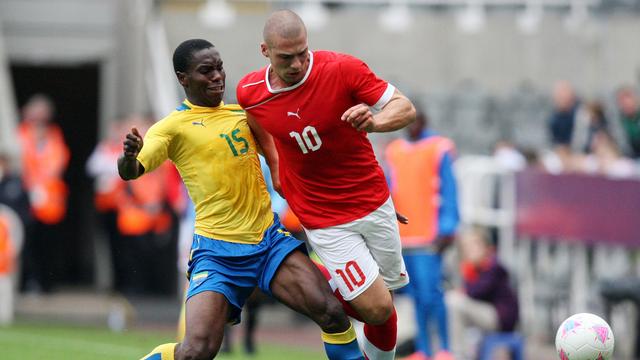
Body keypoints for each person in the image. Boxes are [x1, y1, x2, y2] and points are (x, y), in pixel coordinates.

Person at [121, 39, 364, 360]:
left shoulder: (243, 114)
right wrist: (129, 156)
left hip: (269, 245)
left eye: (219, 68)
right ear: (183, 78)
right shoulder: (171, 128)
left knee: (332, 313)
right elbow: (132, 170)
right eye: (206, 71)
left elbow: (289, 158)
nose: (217, 77)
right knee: (196, 351)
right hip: (218, 254)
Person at [236, 9, 416, 359]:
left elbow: (405, 108)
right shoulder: (251, 91)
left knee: (384, 306)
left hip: (373, 203)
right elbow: (256, 120)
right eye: (287, 58)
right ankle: (286, 270)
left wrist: (375, 123)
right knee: (377, 308)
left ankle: (295, 271)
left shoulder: (341, 69)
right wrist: (276, 166)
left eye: (303, 53)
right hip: (324, 218)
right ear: (265, 52)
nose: (298, 64)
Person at [386, 109, 459, 360]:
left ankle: (445, 349)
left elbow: (449, 190)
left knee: (432, 295)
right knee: (416, 297)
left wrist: (448, 227)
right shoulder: (395, 150)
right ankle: (424, 349)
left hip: (430, 237)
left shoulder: (438, 148)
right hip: (405, 236)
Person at [17, 94, 70, 293]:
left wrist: (40, 182)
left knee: (48, 246)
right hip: (25, 199)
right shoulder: (19, 135)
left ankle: (46, 283)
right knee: (26, 244)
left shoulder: (54, 137)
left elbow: (57, 163)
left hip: (50, 203)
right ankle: (27, 282)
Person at [445, 227, 519, 360]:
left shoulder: (494, 266)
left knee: (454, 301)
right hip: (489, 315)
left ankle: (458, 355)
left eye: (474, 246)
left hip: (501, 319)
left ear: (486, 247)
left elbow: (476, 292)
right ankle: (457, 352)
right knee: (452, 302)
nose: (470, 251)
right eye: (466, 248)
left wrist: (467, 271)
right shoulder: (477, 267)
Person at [616, 86, 640, 159]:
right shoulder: (619, 120)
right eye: (621, 102)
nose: (625, 104)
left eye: (628, 99)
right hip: (629, 158)